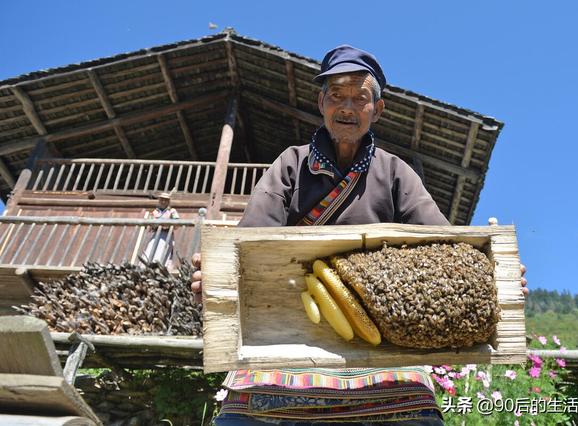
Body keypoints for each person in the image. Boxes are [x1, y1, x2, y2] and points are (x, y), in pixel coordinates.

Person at [191, 45, 528, 425]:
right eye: (336, 95)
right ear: (322, 102)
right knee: (241, 418)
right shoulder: (290, 164)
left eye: (360, 97)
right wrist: (217, 275)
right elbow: (249, 240)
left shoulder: (396, 173)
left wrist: (493, 280)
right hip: (288, 333)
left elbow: (446, 248)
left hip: (382, 342)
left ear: (377, 110)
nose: (347, 107)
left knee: (418, 416)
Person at [143, 192, 179, 267]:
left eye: (165, 200)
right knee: (151, 249)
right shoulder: (155, 212)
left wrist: (167, 222)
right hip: (156, 234)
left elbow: (176, 225)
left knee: (163, 252)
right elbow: (149, 225)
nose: (163, 202)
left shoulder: (172, 211)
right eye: (162, 200)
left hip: (166, 235)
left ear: (168, 201)